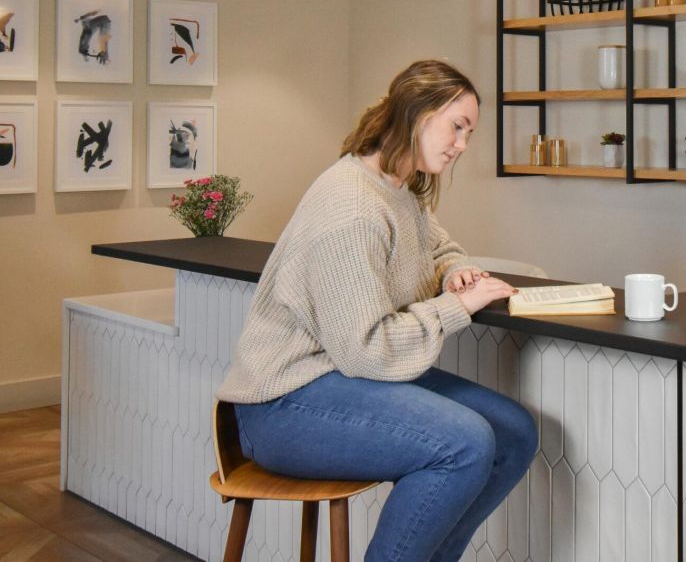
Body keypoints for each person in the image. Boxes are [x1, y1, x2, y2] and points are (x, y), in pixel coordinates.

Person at [217, 59, 537, 561]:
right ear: (417, 113)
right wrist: (455, 307)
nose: (462, 145)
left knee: (513, 432)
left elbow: (437, 247)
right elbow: (366, 351)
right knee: (467, 442)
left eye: (469, 132)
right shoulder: (352, 206)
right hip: (283, 405)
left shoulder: (396, 189)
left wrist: (456, 271)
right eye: (458, 127)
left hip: (340, 380)